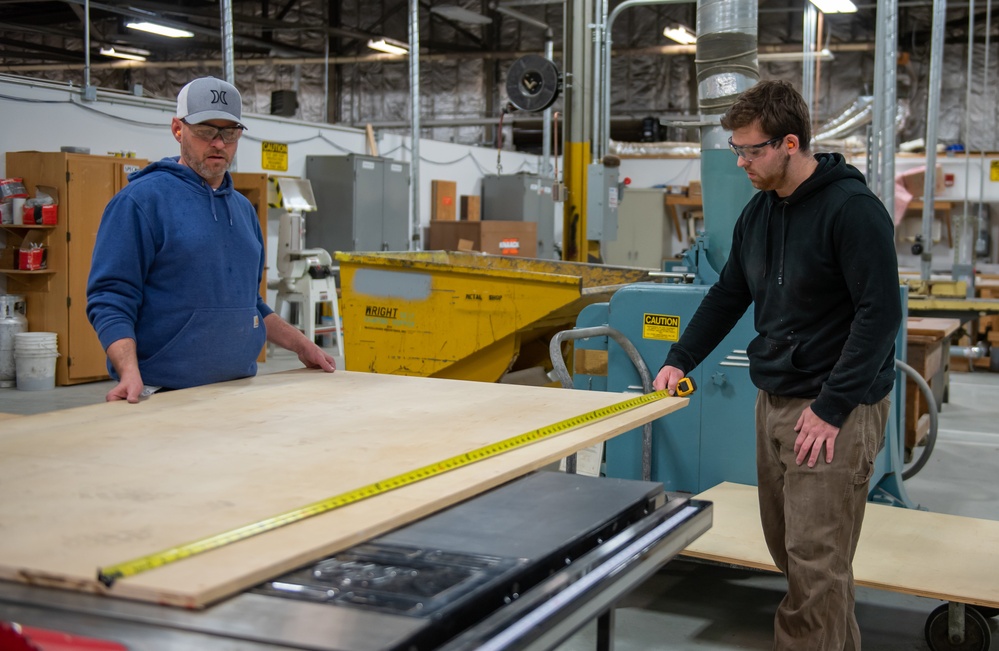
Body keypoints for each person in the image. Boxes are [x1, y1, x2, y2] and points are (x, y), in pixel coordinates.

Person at [652, 80, 901, 650]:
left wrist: (832, 408)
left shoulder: (853, 211)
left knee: (815, 567)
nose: (741, 161)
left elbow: (879, 314)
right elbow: (728, 294)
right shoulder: (759, 214)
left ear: (790, 143)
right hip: (776, 402)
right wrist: (680, 358)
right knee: (796, 555)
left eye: (751, 150)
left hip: (832, 412)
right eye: (735, 150)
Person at [87, 76, 335, 403]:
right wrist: (129, 371)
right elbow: (111, 297)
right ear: (178, 129)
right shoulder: (141, 202)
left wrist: (304, 345)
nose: (218, 143)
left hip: (238, 389)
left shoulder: (244, 210)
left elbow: (250, 304)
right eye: (206, 131)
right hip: (161, 393)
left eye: (229, 133)